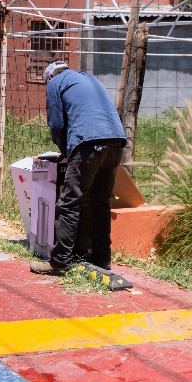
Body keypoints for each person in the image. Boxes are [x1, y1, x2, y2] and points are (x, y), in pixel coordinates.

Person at [31, 58, 126, 275]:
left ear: (49, 78)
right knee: (100, 202)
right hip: (116, 141)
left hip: (89, 143)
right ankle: (102, 259)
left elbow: (57, 124)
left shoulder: (54, 83)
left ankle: (59, 262)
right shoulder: (86, 78)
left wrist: (65, 151)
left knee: (69, 202)